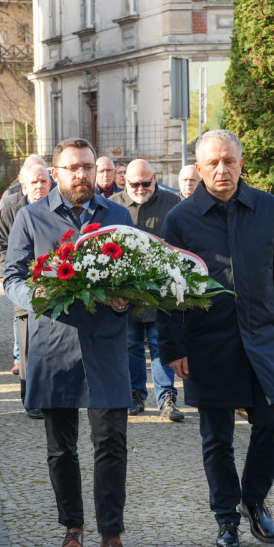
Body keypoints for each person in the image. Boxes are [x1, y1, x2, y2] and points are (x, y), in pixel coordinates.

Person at [158, 129, 274, 547]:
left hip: (262, 336)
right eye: (213, 164)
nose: (222, 170)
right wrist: (172, 348)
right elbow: (168, 291)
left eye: (229, 161)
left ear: (242, 163)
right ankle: (226, 518)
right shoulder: (180, 219)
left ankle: (255, 499)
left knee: (272, 421)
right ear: (199, 168)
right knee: (217, 438)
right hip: (208, 341)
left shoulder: (267, 208)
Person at [3, 137, 138, 547]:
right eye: (71, 168)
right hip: (55, 345)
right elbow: (11, 277)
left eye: (86, 166)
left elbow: (138, 277)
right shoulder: (30, 217)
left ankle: (111, 537)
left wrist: (126, 300)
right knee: (61, 449)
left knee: (111, 444)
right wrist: (35, 295)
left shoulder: (117, 216)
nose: (80, 175)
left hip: (105, 345)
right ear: (56, 174)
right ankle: (72, 530)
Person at [110, 159, 184, 422]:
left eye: (146, 182)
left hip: (160, 290)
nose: (140, 188)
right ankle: (135, 395)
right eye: (134, 184)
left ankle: (167, 398)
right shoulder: (114, 205)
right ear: (124, 181)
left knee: (160, 344)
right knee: (131, 345)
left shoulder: (173, 203)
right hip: (126, 291)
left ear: (155, 178)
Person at [0, 163, 52, 416]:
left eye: (44, 181)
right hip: (25, 288)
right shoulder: (10, 210)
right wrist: (18, 275)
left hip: (56, 286)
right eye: (34, 182)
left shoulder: (57, 209)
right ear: (23, 184)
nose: (39, 186)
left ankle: (52, 395)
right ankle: (31, 399)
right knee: (27, 348)